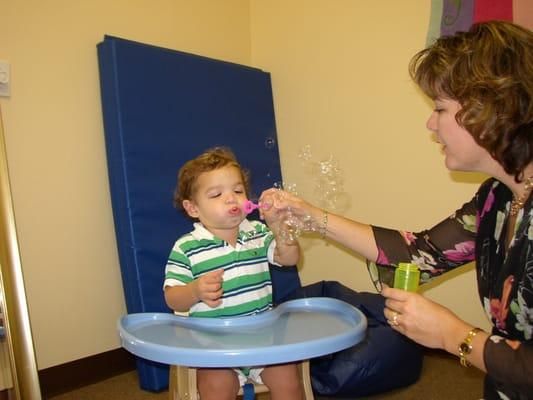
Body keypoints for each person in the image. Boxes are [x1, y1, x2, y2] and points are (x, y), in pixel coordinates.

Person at [260, 21, 533, 399]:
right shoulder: (497, 198)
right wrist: (309, 216)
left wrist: (456, 337)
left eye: (439, 108)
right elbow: (418, 254)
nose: (430, 123)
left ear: (493, 109)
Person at [163, 147, 303, 400]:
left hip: (262, 341)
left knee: (289, 379)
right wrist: (194, 291)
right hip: (213, 349)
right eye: (217, 194)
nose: (231, 199)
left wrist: (281, 230)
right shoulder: (187, 247)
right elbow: (172, 298)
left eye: (238, 191)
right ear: (193, 208)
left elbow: (290, 258)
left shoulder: (257, 233)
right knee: (217, 387)